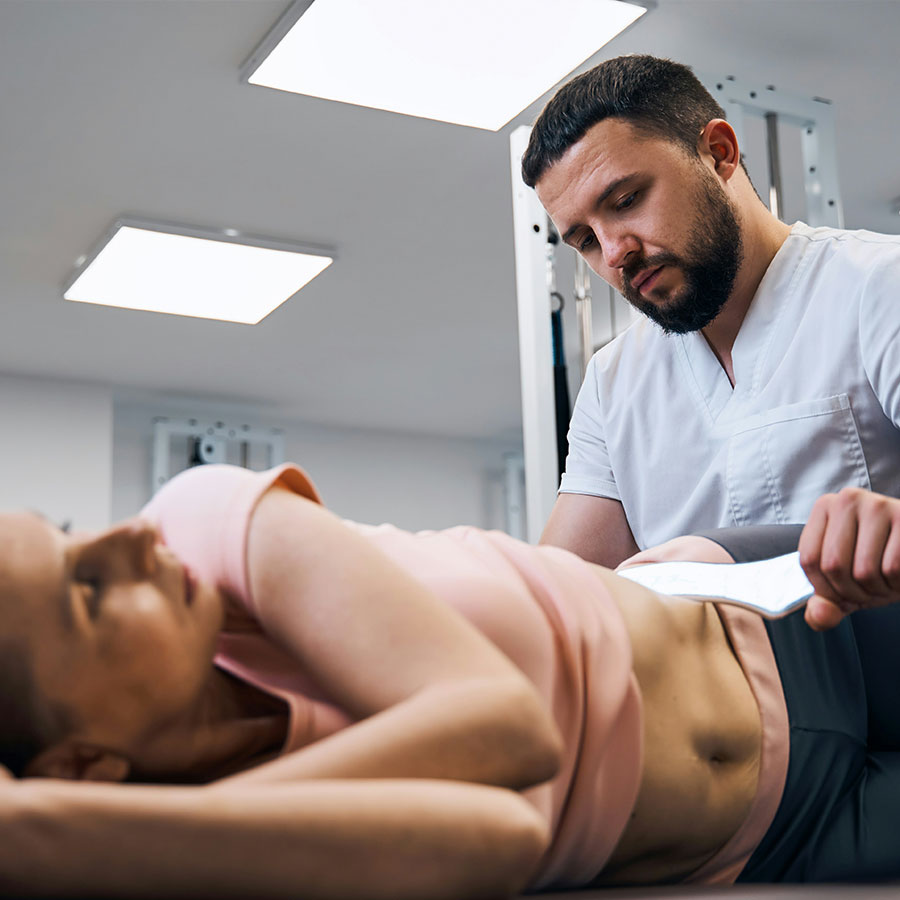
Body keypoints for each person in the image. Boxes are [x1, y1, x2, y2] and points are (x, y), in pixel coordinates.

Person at [1, 461, 899, 896]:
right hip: (772, 840)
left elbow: (505, 726)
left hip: (782, 623)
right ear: (83, 770)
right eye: (85, 591)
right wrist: (62, 836)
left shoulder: (203, 520)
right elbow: (498, 832)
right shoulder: (193, 851)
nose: (128, 541)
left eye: (72, 532)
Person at [521, 55, 900, 616]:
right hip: (727, 701)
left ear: (719, 152)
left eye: (626, 201)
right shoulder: (612, 383)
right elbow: (558, 599)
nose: (615, 252)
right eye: (585, 241)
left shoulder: (878, 284)